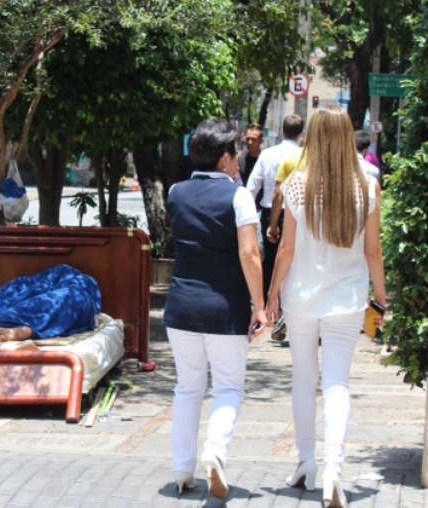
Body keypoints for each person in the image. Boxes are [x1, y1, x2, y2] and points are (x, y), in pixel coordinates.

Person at [266, 107, 386, 508]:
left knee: (304, 378)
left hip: (302, 297)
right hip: (347, 299)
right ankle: (334, 469)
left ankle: (306, 463)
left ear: (313, 138)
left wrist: (272, 293)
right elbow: (373, 252)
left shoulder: (298, 185)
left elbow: (285, 249)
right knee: (337, 382)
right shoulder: (368, 187)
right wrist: (383, 299)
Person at [164, 119, 267, 501]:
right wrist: (260, 306)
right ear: (225, 158)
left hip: (180, 308)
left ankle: (181, 469)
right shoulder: (238, 196)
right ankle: (216, 453)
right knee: (227, 387)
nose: (238, 158)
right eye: (236, 152)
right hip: (225, 308)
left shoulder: (176, 192)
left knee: (187, 388)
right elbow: (250, 253)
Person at [247, 114, 304, 298]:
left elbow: (252, 188)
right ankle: (288, 299)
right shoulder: (305, 156)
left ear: (282, 131)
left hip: (270, 212)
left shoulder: (267, 154)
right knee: (294, 259)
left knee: (270, 260)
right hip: (298, 212)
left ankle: (266, 300)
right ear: (301, 133)